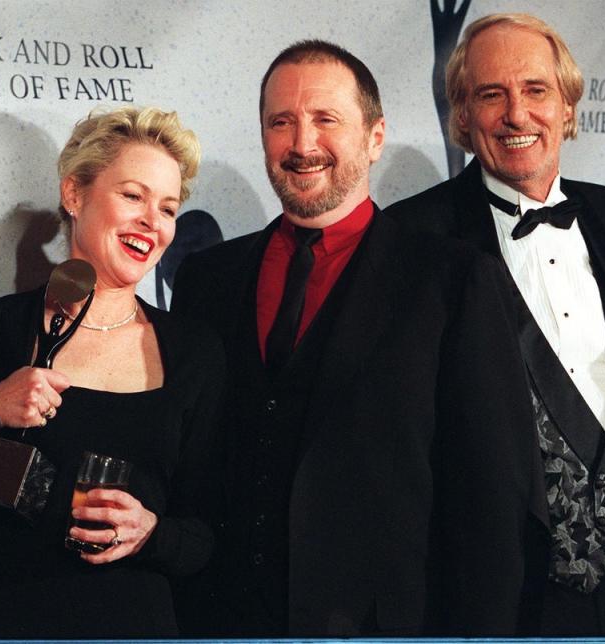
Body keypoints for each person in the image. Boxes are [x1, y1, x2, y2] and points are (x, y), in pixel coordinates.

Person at [170, 39, 534, 637]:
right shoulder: (208, 280)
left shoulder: (453, 280)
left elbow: (492, 501)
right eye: (280, 121)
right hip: (225, 620)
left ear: (375, 136)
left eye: (325, 119)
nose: (302, 144)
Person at [385, 13, 605, 636]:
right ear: (460, 116)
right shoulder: (411, 240)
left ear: (567, 107)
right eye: (491, 94)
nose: (517, 114)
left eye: (536, 90)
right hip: (501, 603)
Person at [0, 106, 224, 638]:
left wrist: (153, 534)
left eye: (168, 208)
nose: (151, 223)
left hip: (133, 625)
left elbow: (209, 530)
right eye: (133, 196)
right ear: (74, 194)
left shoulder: (194, 353)